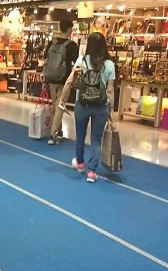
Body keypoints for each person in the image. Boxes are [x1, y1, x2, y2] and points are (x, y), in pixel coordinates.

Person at [58, 32, 115, 183]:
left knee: (80, 135)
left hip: (82, 104)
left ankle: (80, 164)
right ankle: (92, 172)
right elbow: (110, 89)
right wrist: (111, 108)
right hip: (101, 106)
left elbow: (70, 81)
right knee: (96, 139)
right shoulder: (109, 65)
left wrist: (63, 100)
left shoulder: (81, 61)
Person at [44, 20, 79, 145]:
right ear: (69, 30)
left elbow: (45, 59)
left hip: (51, 78)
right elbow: (77, 62)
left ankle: (58, 131)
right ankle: (53, 134)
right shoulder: (72, 46)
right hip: (64, 79)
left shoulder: (52, 42)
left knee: (55, 106)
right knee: (60, 106)